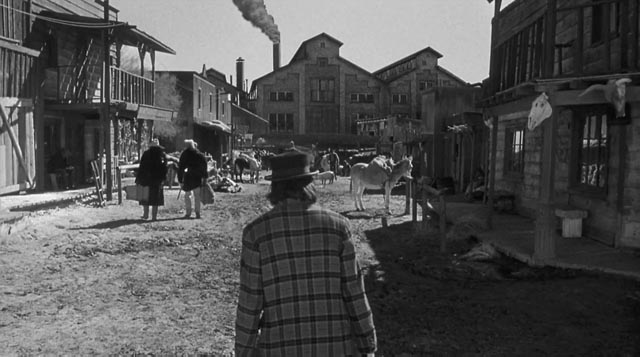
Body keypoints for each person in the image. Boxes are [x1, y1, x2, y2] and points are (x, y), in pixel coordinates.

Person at [235, 148, 377, 356]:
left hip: (280, 348)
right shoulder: (339, 227)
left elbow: (250, 304)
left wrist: (243, 352)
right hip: (334, 347)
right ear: (309, 183)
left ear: (275, 187)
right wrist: (368, 345)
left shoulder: (256, 234)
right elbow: (354, 293)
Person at [135, 138, 168, 221]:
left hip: (146, 179)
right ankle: (154, 216)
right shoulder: (162, 155)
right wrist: (163, 178)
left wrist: (139, 178)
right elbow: (165, 168)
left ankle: (146, 214)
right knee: (155, 198)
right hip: (157, 180)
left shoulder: (146, 154)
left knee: (146, 197)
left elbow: (141, 167)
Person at [177, 139, 208, 219]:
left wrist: (180, 179)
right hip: (197, 177)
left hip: (188, 177)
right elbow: (204, 166)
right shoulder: (199, 154)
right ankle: (197, 212)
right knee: (197, 195)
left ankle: (188, 212)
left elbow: (181, 167)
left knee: (188, 195)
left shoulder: (184, 154)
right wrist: (205, 176)